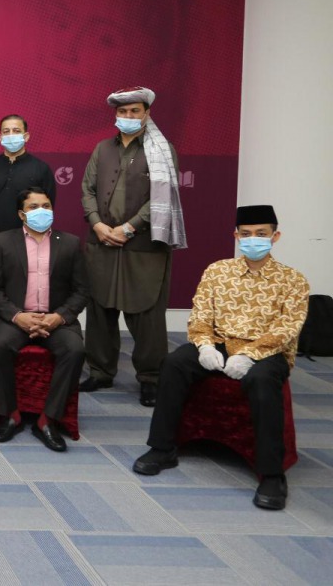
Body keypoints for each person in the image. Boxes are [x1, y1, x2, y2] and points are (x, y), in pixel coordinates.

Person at [134, 205, 309, 510]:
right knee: (174, 363)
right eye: (246, 234)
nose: (253, 240)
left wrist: (250, 354)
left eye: (261, 234)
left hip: (267, 351)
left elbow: (287, 329)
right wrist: (204, 346)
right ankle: (162, 448)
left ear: (275, 236)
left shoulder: (293, 280)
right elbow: (200, 315)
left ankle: (272, 474)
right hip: (219, 343)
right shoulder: (217, 271)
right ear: (236, 236)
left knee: (261, 380)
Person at [80, 86, 186, 407]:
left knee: (147, 314)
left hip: (143, 245)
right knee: (100, 310)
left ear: (147, 114)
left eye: (134, 111)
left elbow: (162, 197)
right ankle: (100, 371)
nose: (128, 116)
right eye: (122, 111)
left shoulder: (162, 150)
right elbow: (87, 189)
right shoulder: (102, 148)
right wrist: (97, 224)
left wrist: (128, 228)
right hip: (102, 242)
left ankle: (151, 378)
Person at [0, 188, 88, 451]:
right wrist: (17, 316)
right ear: (22, 214)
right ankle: (11, 415)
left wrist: (59, 317)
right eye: (33, 207)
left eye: (46, 206)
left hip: (56, 319)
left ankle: (47, 420)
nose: (41, 211)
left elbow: (82, 290)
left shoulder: (71, 243)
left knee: (75, 350)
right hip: (16, 318)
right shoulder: (3, 241)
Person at [0, 115, 56, 372]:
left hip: (26, 245)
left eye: (16, 130)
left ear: (27, 135)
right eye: (6, 131)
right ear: (0, 136)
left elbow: (46, 208)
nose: (11, 135)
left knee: (18, 295)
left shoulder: (40, 169)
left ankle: (15, 348)